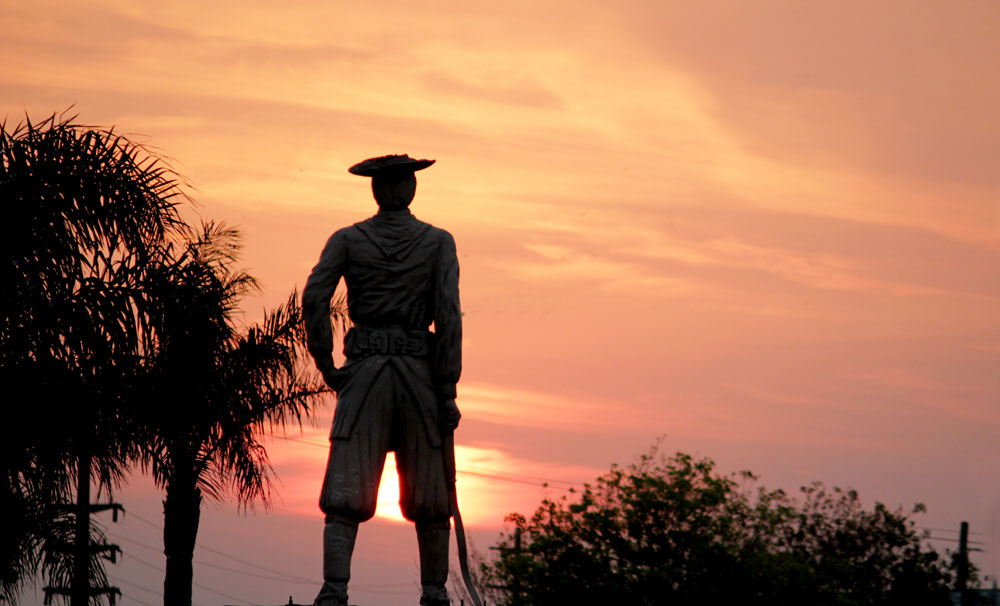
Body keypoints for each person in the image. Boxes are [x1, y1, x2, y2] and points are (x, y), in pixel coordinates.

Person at [302, 154, 462, 606]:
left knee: (346, 488)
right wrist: (447, 389)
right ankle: (434, 593)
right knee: (431, 493)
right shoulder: (438, 242)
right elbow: (448, 316)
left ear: (376, 191)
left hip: (364, 373)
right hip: (419, 378)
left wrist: (327, 364)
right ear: (411, 190)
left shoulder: (348, 239)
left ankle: (335, 590)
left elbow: (315, 299)